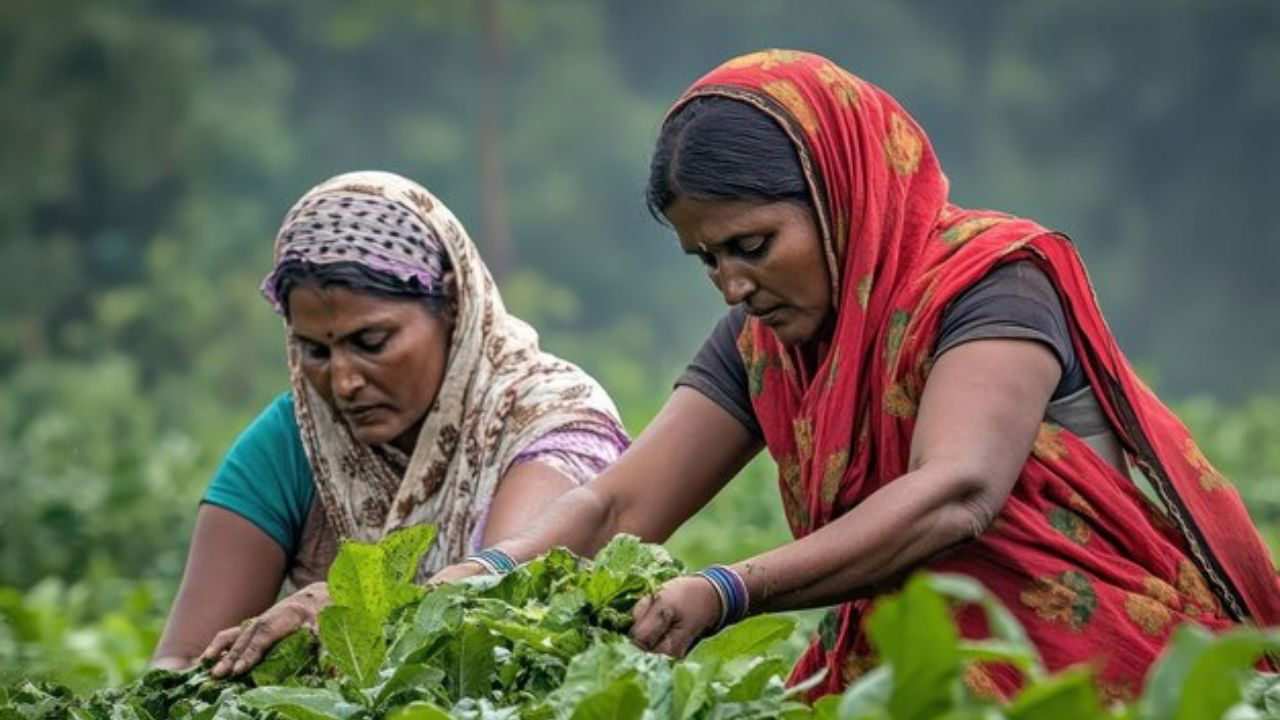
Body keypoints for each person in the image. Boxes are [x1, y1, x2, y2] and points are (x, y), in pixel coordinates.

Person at [430, 50, 1280, 702]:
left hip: (1093, 682)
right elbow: (617, 504)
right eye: (707, 259)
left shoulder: (988, 283)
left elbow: (957, 491)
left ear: (839, 193)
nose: (732, 283)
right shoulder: (763, 342)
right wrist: (472, 583)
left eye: (753, 246)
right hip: (913, 679)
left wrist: (731, 588)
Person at [150, 171, 629, 676]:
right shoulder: (294, 442)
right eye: (314, 350)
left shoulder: (547, 420)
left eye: (371, 343)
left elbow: (503, 605)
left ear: (451, 303)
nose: (342, 381)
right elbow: (181, 660)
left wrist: (350, 612)